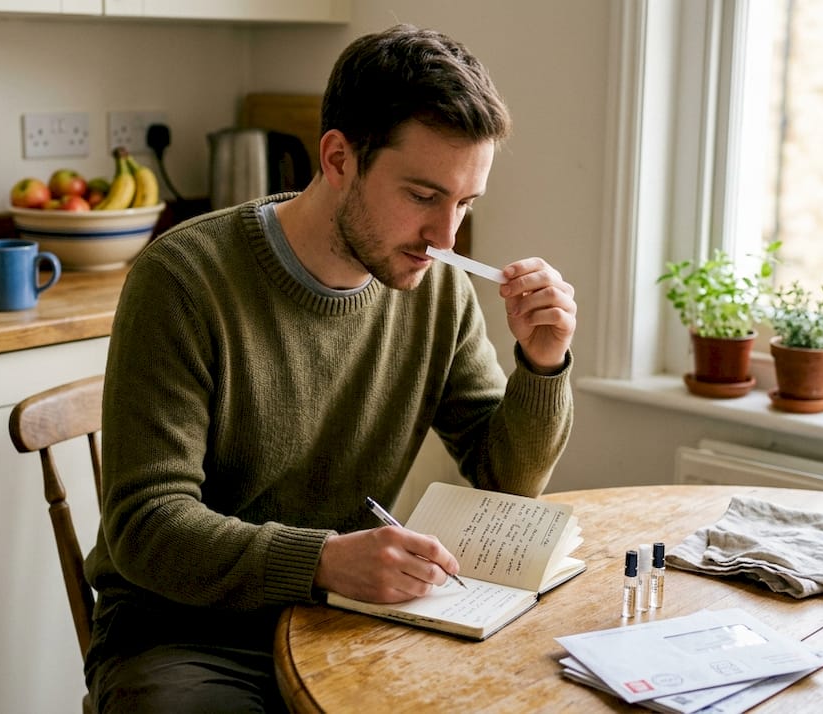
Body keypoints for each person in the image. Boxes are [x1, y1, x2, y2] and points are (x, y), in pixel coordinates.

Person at [83, 23, 577, 713]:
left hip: (344, 617)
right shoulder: (183, 279)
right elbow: (146, 525)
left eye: (465, 203)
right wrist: (322, 559)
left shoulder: (436, 291)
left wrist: (542, 363)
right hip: (183, 635)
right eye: (423, 196)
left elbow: (506, 479)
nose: (447, 238)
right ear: (339, 158)